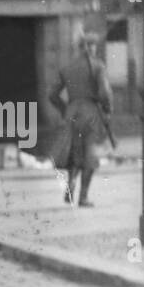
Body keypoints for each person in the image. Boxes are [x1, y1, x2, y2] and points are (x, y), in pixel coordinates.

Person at [49, 30, 115, 207]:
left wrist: (65, 109)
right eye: (93, 46)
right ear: (91, 47)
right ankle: (83, 197)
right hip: (91, 113)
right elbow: (105, 93)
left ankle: (70, 186)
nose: (94, 49)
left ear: (79, 48)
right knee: (90, 156)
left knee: (74, 153)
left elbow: (52, 94)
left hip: (72, 113)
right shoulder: (98, 66)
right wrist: (108, 110)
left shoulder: (67, 67)